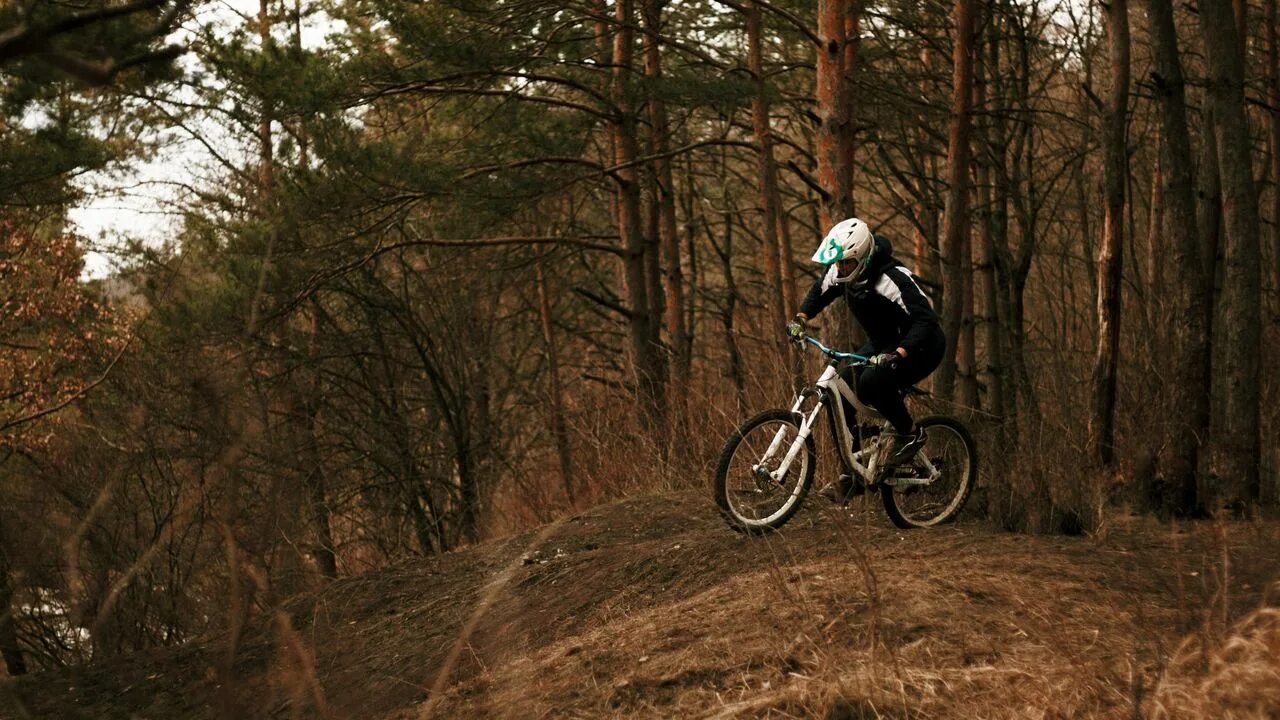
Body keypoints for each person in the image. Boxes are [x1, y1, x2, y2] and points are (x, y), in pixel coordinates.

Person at [786, 217, 946, 503]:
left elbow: (926, 320)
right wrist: (801, 318)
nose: (839, 268)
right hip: (884, 343)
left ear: (861, 256)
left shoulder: (893, 278)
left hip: (922, 346)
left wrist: (900, 353)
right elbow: (819, 290)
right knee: (842, 392)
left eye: (845, 263)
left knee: (873, 382)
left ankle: (910, 434)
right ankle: (853, 476)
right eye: (838, 263)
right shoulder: (842, 271)